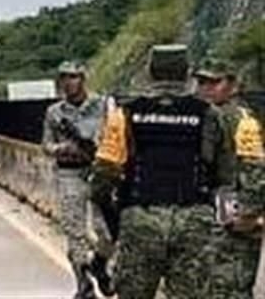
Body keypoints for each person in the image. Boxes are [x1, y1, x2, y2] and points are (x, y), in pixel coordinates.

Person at [90, 44, 262, 299]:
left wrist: (112, 212)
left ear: (149, 72)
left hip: (140, 219)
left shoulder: (125, 112)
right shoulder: (211, 114)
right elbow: (227, 173)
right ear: (186, 73)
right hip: (195, 222)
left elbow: (105, 171)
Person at [42, 60, 115, 299]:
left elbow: (115, 134)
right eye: (63, 77)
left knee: (107, 231)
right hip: (70, 173)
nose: (68, 83)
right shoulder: (55, 112)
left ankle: (99, 264)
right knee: (75, 232)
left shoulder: (103, 105)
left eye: (73, 77)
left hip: (98, 172)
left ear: (83, 79)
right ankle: (83, 284)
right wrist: (63, 148)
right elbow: (46, 145)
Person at [195, 56, 265, 299]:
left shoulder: (239, 120)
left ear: (233, 85)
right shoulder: (213, 115)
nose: (205, 88)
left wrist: (248, 215)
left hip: (235, 215)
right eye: (202, 82)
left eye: (214, 82)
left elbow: (256, 170)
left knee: (232, 288)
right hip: (216, 212)